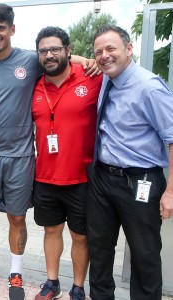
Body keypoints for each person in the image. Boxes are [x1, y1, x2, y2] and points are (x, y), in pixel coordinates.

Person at [0, 4, 97, 300]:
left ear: (12, 29)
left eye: (1, 28)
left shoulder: (30, 58)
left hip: (22, 157)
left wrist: (89, 60)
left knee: (16, 217)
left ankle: (16, 273)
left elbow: (56, 57)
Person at [88, 25, 173, 300]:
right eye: (98, 52)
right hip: (102, 178)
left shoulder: (149, 88)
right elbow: (81, 60)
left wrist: (171, 191)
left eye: (111, 49)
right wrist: (80, 58)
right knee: (99, 249)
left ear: (129, 48)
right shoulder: (105, 79)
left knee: (144, 253)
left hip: (141, 181)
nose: (104, 56)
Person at [31, 26, 102, 300]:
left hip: (82, 177)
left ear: (68, 51)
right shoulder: (35, 85)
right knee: (51, 231)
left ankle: (78, 287)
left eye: (55, 49)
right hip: (45, 176)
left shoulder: (91, 77)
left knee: (81, 236)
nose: (49, 55)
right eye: (44, 50)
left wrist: (88, 60)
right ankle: (52, 283)